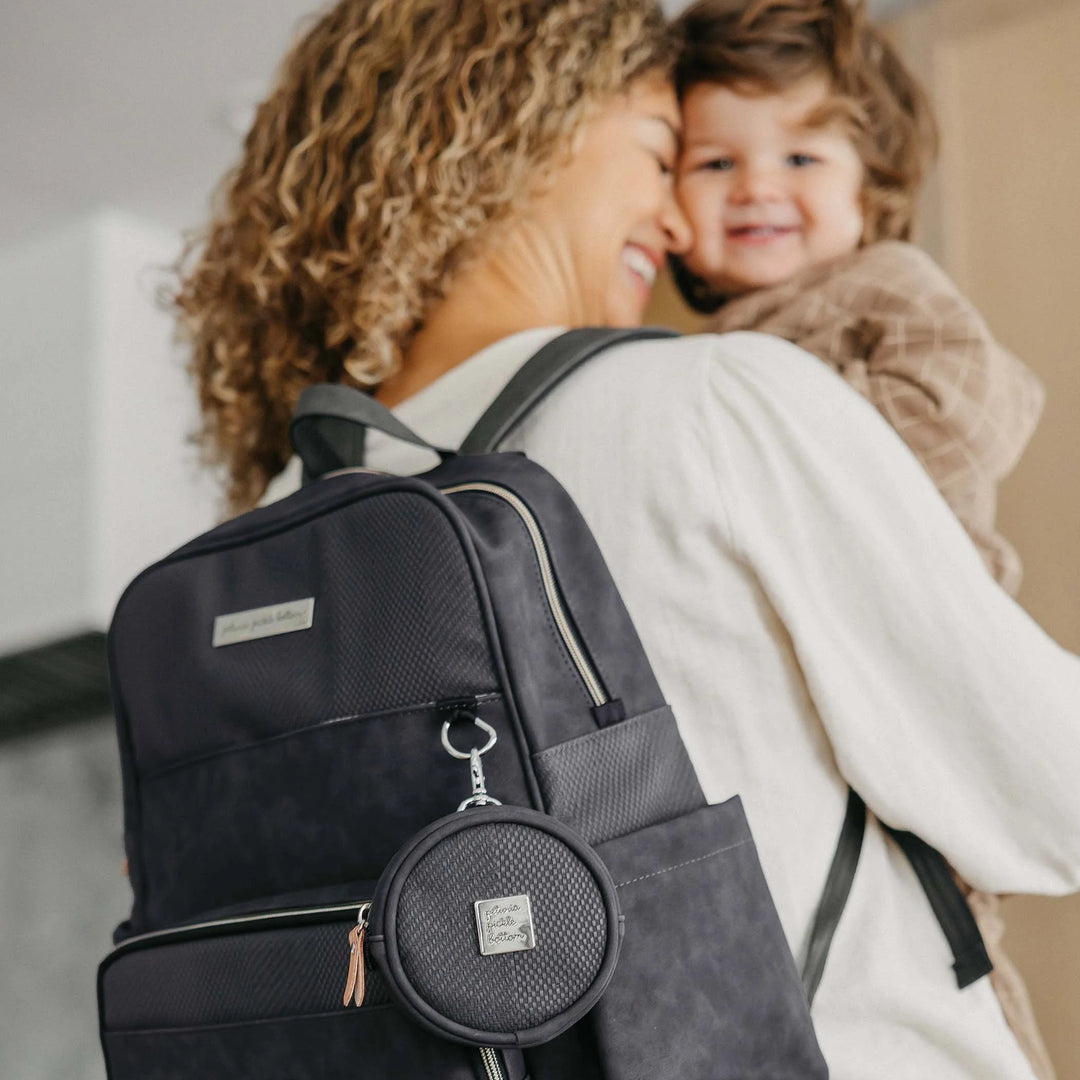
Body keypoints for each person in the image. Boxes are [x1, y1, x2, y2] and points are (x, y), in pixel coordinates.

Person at [172, 1, 1080, 1077]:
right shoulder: (714, 399)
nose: (678, 215)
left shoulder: (282, 512)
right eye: (665, 157)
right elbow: (1047, 789)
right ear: (523, 132)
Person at [671, 0, 1043, 600]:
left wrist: (776, 444)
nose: (756, 187)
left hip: (926, 596)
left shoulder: (886, 280)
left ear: (869, 189)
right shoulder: (704, 346)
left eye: (800, 158)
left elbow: (968, 407)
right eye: (716, 162)